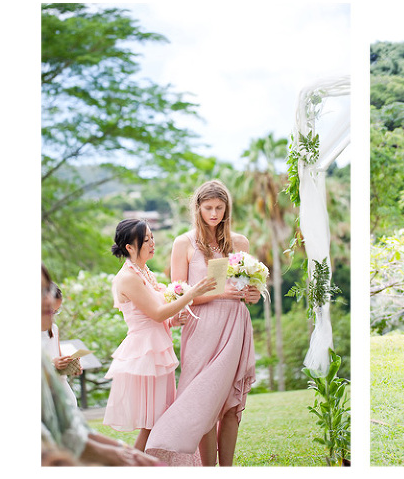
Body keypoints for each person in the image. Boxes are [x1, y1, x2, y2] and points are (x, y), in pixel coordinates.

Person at [145, 180, 261, 466]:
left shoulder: (240, 243)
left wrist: (253, 294)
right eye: (208, 208)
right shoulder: (184, 243)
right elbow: (179, 296)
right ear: (197, 208)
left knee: (231, 406)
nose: (214, 213)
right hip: (202, 327)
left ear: (226, 209)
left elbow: (248, 290)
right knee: (205, 404)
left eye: (219, 208)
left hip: (235, 323)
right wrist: (222, 292)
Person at [102, 219, 217, 452]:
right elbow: (155, 314)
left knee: (159, 419)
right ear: (130, 248)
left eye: (152, 237)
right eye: (146, 240)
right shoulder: (128, 278)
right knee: (153, 423)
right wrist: (191, 294)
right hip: (145, 353)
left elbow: (158, 316)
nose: (152, 243)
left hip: (157, 349)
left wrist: (175, 320)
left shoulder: (144, 271)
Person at [41, 264, 161, 466]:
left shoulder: (52, 328)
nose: (47, 301)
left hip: (59, 386)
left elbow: (77, 430)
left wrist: (69, 364)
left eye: (47, 291)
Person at [41, 283, 80, 405]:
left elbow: (56, 353)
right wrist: (53, 363)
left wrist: (70, 363)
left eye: (56, 311)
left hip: (59, 382)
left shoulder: (53, 328)